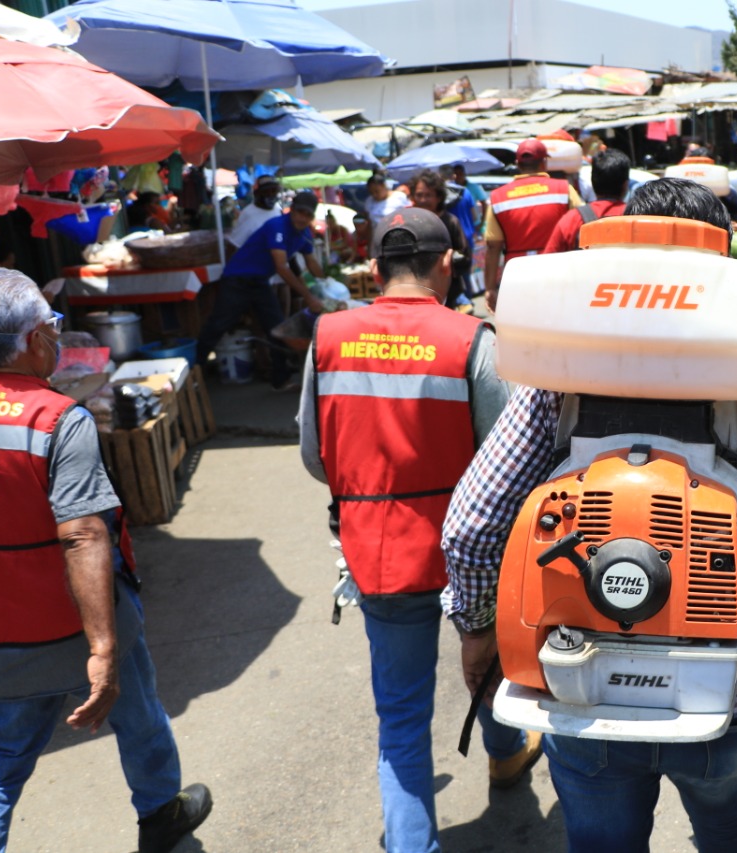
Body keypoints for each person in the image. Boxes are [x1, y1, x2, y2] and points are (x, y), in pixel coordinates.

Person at [442, 177, 737, 853]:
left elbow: (475, 522)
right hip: (731, 691)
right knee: (724, 823)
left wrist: (478, 628)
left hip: (582, 679)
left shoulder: (559, 369)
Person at [297, 209, 540, 853]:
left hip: (376, 555)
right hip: (471, 553)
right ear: (448, 264)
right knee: (488, 660)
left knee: (401, 718)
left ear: (374, 268)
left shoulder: (327, 335)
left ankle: (416, 840)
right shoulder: (471, 340)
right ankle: (506, 749)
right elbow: (506, 460)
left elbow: (314, 455)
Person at [0, 269, 211, 853]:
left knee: (0, 768)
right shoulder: (58, 419)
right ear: (34, 339)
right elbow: (85, 535)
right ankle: (161, 818)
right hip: (74, 621)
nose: (57, 339)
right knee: (137, 717)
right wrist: (103, 648)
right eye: (54, 328)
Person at [196, 190, 326, 391]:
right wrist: (308, 296)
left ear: (312, 216)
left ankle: (280, 380)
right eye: (299, 212)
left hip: (259, 282)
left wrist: (328, 282)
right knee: (218, 324)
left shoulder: (305, 233)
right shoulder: (277, 226)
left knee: (279, 329)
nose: (302, 218)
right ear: (291, 211)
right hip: (237, 280)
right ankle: (196, 373)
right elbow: (282, 267)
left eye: (307, 215)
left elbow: (311, 263)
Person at [483, 138, 582, 312]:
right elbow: (581, 226)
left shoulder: (498, 198)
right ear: (544, 163)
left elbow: (493, 246)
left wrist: (490, 288)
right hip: (557, 271)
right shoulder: (563, 189)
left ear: (517, 165)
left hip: (517, 276)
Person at [542, 148, 630, 254]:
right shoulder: (639, 216)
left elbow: (548, 260)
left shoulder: (572, 220)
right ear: (625, 185)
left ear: (592, 182)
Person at [410, 170, 473, 312]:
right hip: (416, 291)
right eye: (419, 195)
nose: (423, 200)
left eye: (428, 195)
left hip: (446, 292)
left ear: (438, 197)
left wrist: (441, 262)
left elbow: (465, 257)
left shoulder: (450, 222)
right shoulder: (409, 222)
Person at [227, 174, 282, 251]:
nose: (271, 195)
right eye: (266, 192)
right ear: (257, 194)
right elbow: (235, 244)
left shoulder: (277, 209)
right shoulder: (248, 214)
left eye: (274, 191)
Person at [364, 173, 411, 251]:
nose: (374, 195)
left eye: (377, 191)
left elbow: (409, 214)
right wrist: (370, 245)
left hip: (397, 238)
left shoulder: (399, 197)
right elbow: (369, 225)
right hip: (378, 240)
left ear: (384, 186)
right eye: (371, 192)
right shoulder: (369, 201)